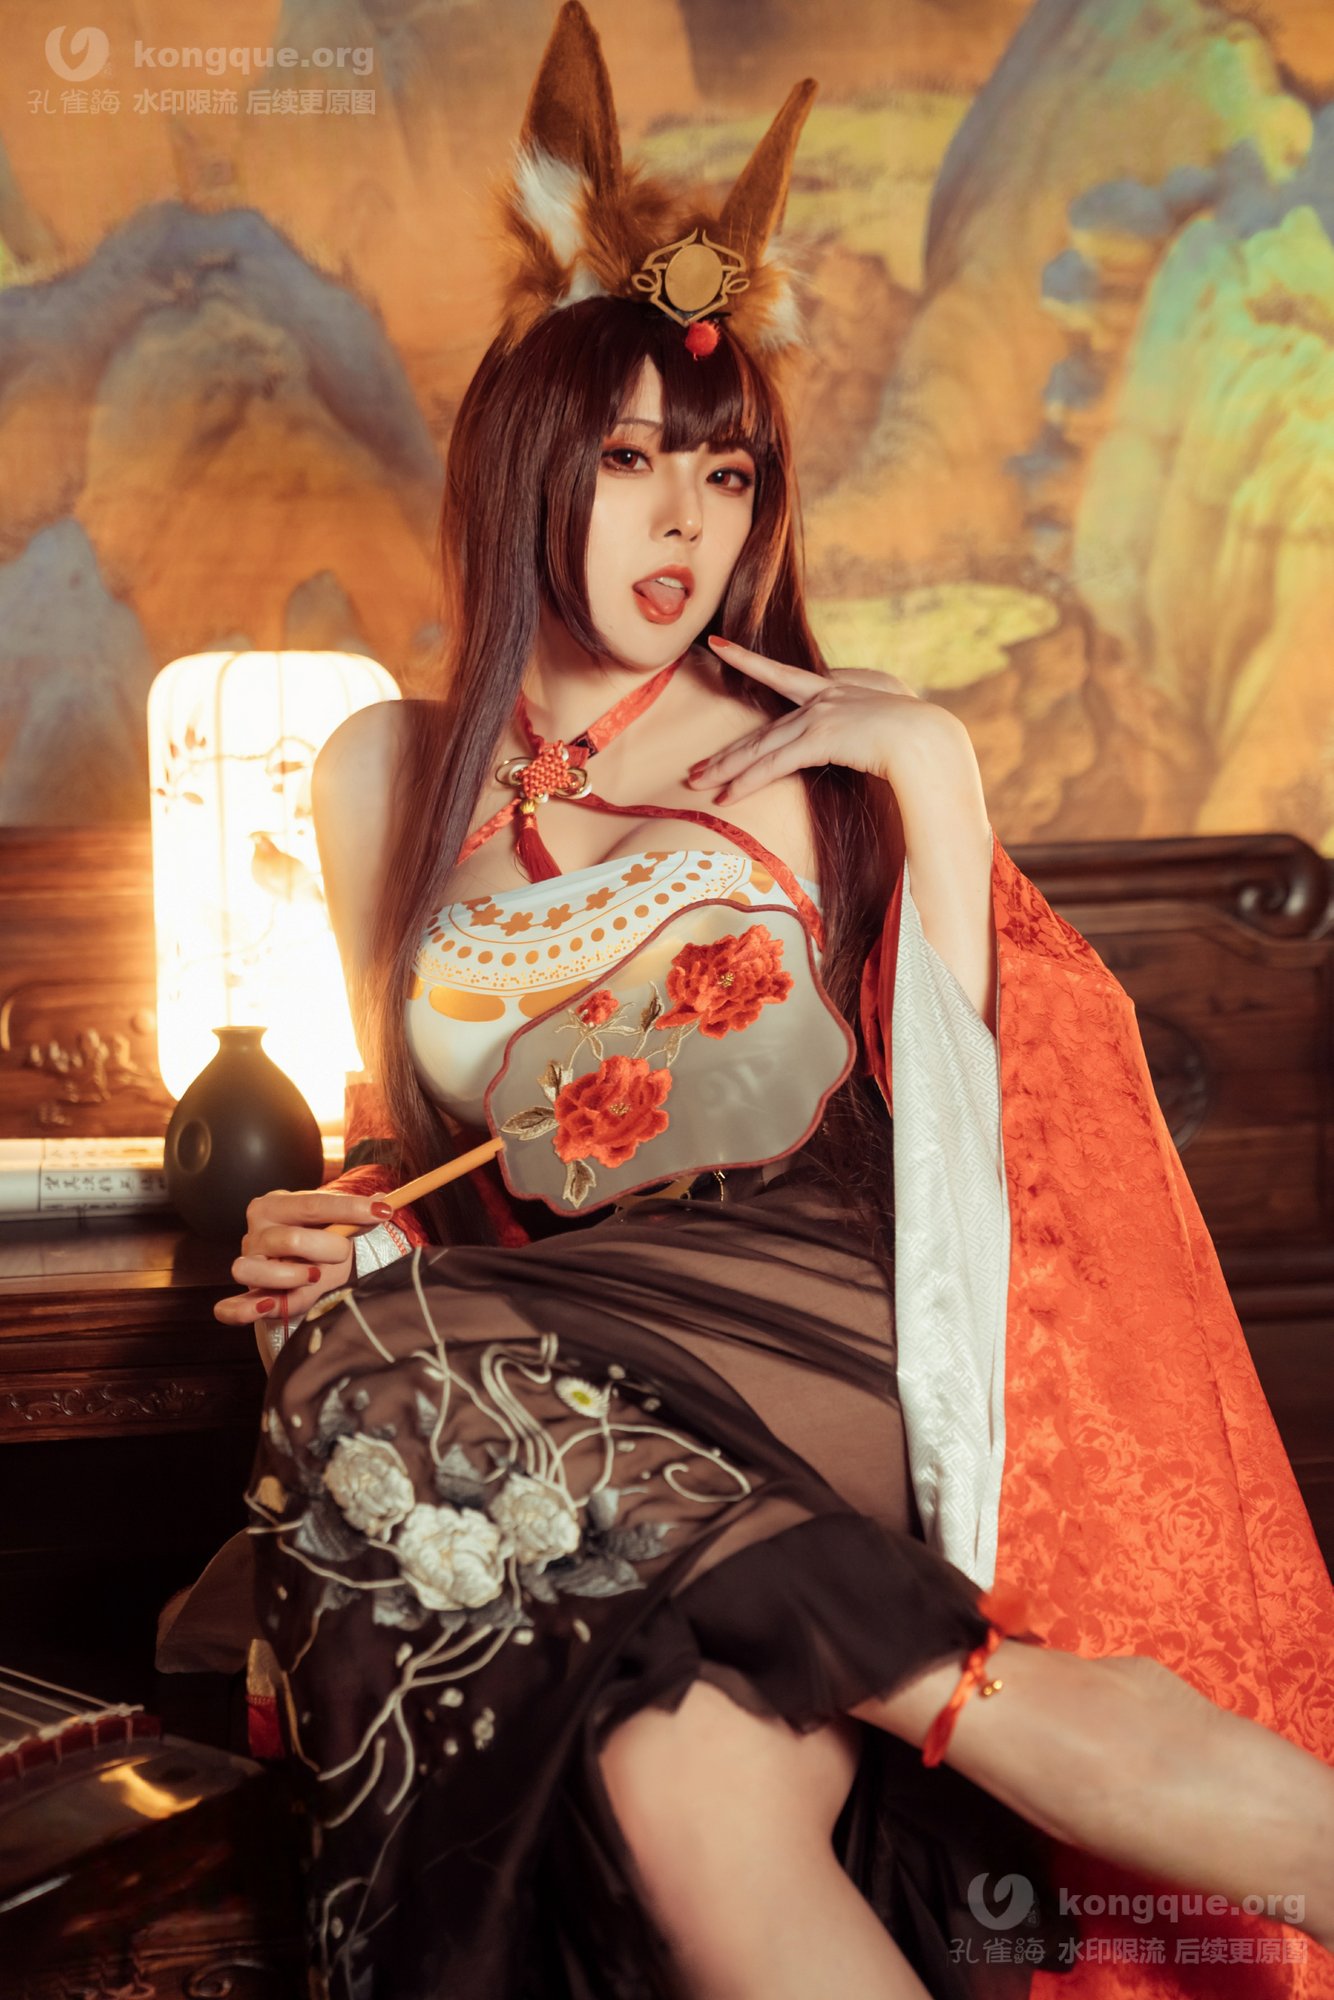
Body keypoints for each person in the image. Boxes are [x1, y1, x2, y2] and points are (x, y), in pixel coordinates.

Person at [209, 8, 1334, 1997]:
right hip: (570, 1363)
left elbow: (993, 1150)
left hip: (813, 1322)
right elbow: (445, 1151)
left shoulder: (822, 752)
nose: (686, 522)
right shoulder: (383, 771)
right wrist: (340, 1217)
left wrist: (935, 768)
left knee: (370, 1368)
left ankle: (978, 1681)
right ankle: (985, 1698)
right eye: (632, 459)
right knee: (682, 1799)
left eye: (723, 472)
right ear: (527, 457)